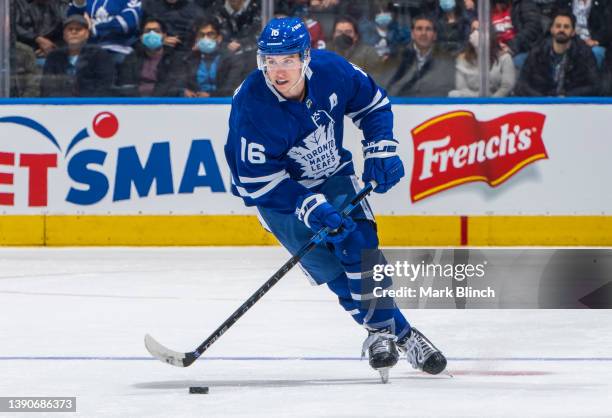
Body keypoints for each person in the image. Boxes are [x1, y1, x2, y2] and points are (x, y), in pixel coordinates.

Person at [224, 17, 447, 380]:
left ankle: (380, 334)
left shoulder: (332, 71)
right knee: (338, 277)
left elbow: (373, 105)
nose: (278, 71)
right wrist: (309, 206)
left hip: (332, 175)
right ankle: (401, 335)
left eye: (288, 60)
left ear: (306, 57)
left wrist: (380, 150)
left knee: (360, 246)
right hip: (280, 198)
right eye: (271, 61)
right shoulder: (251, 104)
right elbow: (252, 180)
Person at [514, 11, 599, 96]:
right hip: (542, 105)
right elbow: (522, 84)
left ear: (573, 32)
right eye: (558, 26)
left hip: (573, 105)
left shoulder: (584, 53)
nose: (561, 30)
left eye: (566, 27)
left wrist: (567, 96)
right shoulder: (538, 52)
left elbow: (595, 86)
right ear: (551, 29)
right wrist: (543, 99)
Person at [174, 16, 255, 97]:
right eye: (201, 35)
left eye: (210, 34)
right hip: (192, 103)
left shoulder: (232, 60)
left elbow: (232, 88)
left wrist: (210, 95)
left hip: (222, 103)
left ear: (219, 38)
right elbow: (175, 85)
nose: (205, 38)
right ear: (196, 39)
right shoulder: (187, 59)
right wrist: (183, 91)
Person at [41, 15, 115, 97]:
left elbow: (104, 85)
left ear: (87, 34)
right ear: (64, 35)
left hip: (91, 104)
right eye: (70, 29)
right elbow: (47, 86)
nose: (74, 32)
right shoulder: (53, 56)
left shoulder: (99, 55)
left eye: (78, 29)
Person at [387, 15, 455, 96]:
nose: (423, 33)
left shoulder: (445, 60)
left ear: (435, 35)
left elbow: (447, 89)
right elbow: (390, 88)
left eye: (428, 29)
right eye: (419, 29)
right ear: (412, 34)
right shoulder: (398, 57)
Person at [449, 21, 516, 96]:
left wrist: (491, 102)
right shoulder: (462, 59)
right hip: (472, 102)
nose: (475, 33)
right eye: (473, 30)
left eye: (479, 30)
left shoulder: (504, 57)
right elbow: (461, 88)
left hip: (498, 103)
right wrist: (480, 100)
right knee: (453, 94)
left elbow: (507, 86)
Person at [116, 18, 178, 96]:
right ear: (141, 37)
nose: (151, 34)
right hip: (136, 102)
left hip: (163, 101)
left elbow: (172, 86)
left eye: (156, 31)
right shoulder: (132, 58)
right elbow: (126, 84)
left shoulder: (174, 58)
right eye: (147, 31)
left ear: (164, 35)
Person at [68, 0, 143, 64]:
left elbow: (127, 23)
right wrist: (79, 4)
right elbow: (70, 23)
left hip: (117, 49)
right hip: (85, 51)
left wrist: (94, 29)